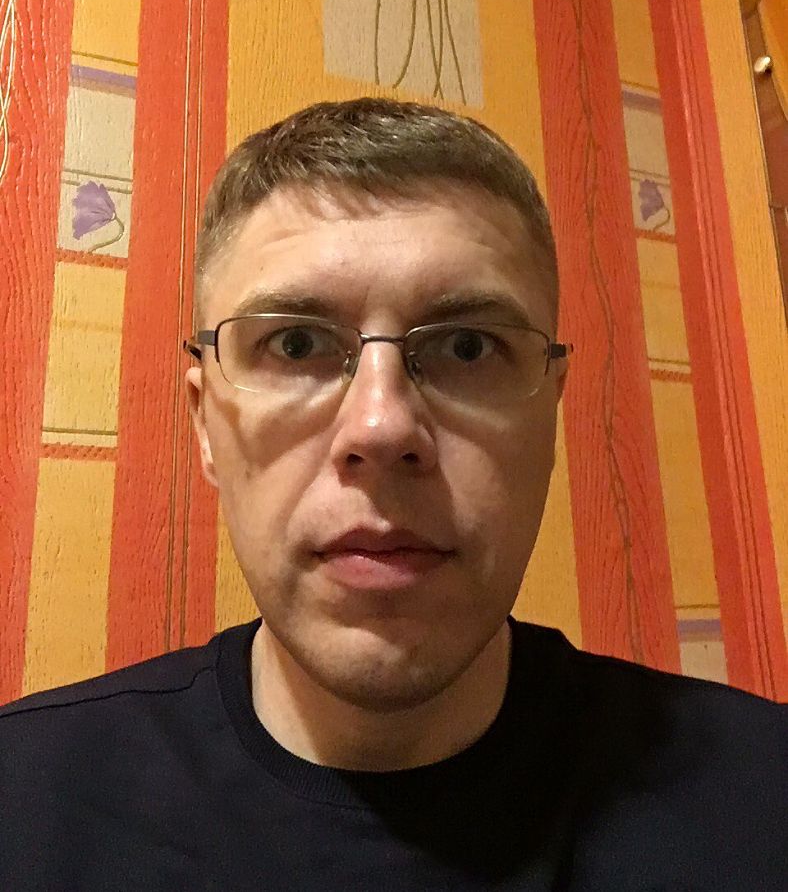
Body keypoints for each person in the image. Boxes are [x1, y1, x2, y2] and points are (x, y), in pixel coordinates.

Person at [0, 98, 784, 891]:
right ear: (206, 424)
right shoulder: (22, 806)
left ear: (549, 414)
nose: (380, 427)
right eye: (296, 343)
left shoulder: (764, 802)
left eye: (467, 347)